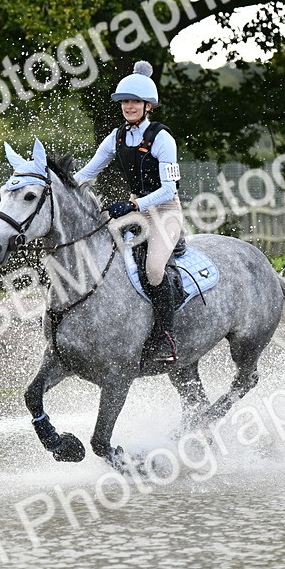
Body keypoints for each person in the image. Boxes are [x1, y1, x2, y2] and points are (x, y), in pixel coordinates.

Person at [74, 60, 184, 363]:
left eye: (135, 101)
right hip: (135, 211)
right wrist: (56, 182)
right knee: (101, 255)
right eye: (125, 101)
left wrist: (134, 204)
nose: (129, 106)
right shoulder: (117, 137)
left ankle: (165, 336)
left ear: (148, 105)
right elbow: (87, 173)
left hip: (165, 212)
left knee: (153, 270)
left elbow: (168, 188)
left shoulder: (163, 138)